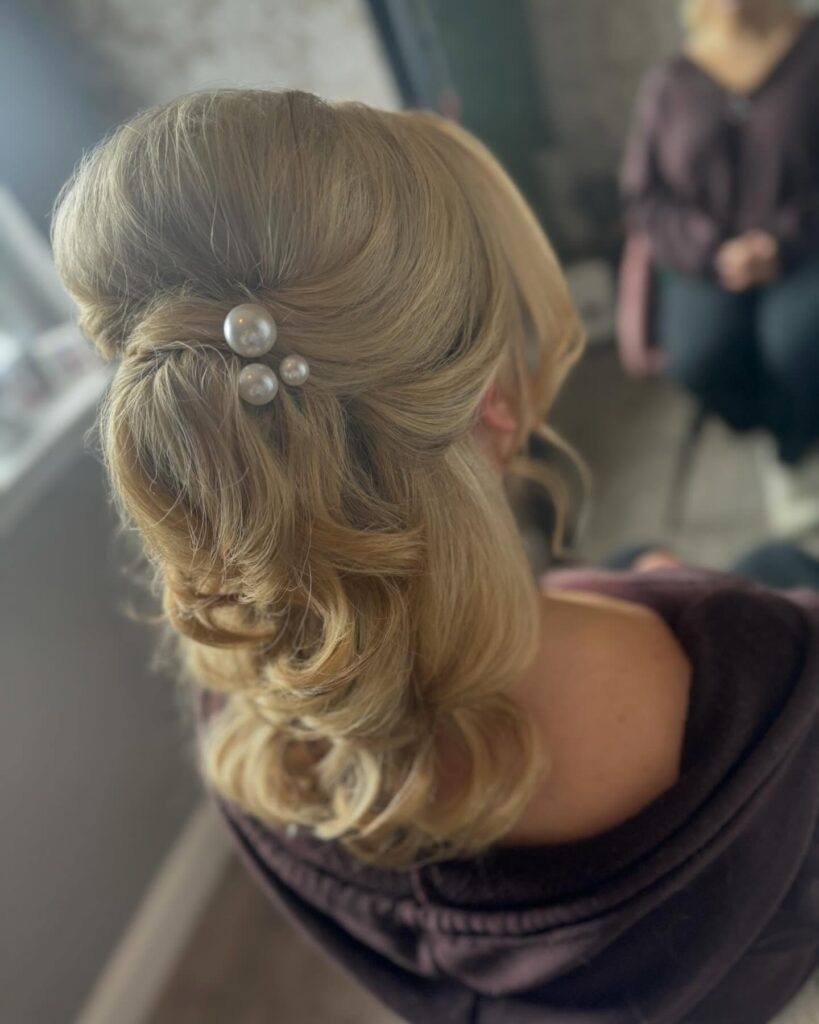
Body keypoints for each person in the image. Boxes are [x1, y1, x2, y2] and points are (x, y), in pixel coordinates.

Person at [52, 90, 819, 1023]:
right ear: (494, 398)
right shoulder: (765, 671)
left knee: (635, 554)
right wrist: (676, 599)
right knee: (778, 555)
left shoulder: (242, 727)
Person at [621, 0, 819, 468]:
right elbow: (644, 196)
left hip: (805, 247)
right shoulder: (669, 82)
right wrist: (711, 251)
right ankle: (778, 432)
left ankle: (798, 441)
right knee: (697, 356)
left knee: (796, 342)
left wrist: (783, 243)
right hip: (708, 260)